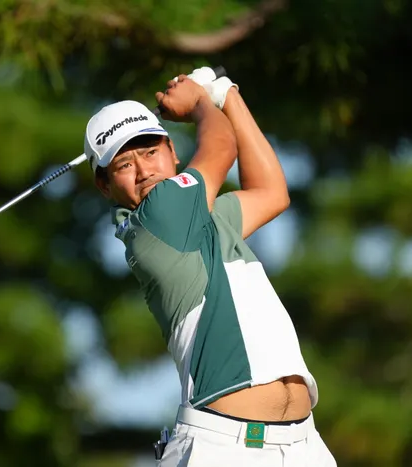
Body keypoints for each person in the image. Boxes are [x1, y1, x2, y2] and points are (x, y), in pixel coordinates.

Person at [84, 70, 336, 466]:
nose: (144, 171)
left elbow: (271, 193)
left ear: (172, 152)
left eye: (150, 152)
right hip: (223, 448)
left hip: (302, 445)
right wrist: (201, 103)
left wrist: (226, 93)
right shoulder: (157, 218)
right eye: (124, 165)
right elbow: (222, 146)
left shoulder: (203, 218)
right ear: (105, 185)